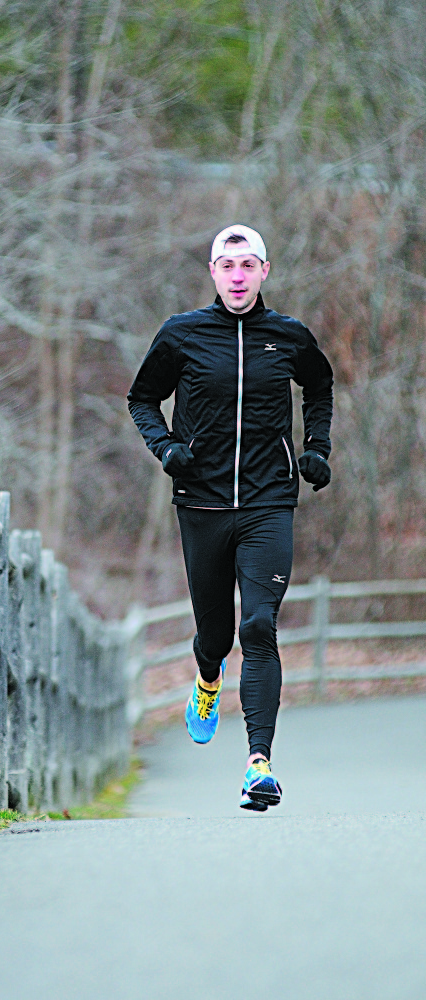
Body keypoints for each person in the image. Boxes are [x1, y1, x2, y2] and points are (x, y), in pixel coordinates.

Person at [127, 224, 333, 811]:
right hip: (202, 504)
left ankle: (258, 762)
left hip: (269, 502)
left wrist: (317, 448)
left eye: (248, 265)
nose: (237, 276)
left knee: (259, 626)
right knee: (216, 635)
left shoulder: (288, 337)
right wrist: (167, 448)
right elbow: (142, 399)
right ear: (213, 272)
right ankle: (208, 677)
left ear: (265, 271)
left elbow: (320, 387)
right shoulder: (182, 335)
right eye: (227, 265)